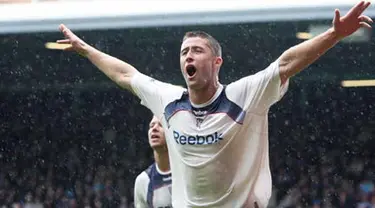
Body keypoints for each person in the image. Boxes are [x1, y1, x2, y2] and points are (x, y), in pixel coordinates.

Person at [55, 1, 372, 207]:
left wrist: (333, 34)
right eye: (183, 52)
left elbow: (286, 63)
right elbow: (125, 74)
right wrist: (86, 50)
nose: (188, 56)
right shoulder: (169, 102)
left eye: (196, 50)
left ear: (217, 61)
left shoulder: (244, 95)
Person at [134, 115, 172, 208]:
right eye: (151, 125)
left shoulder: (188, 170)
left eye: (161, 125)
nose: (154, 128)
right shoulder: (143, 181)